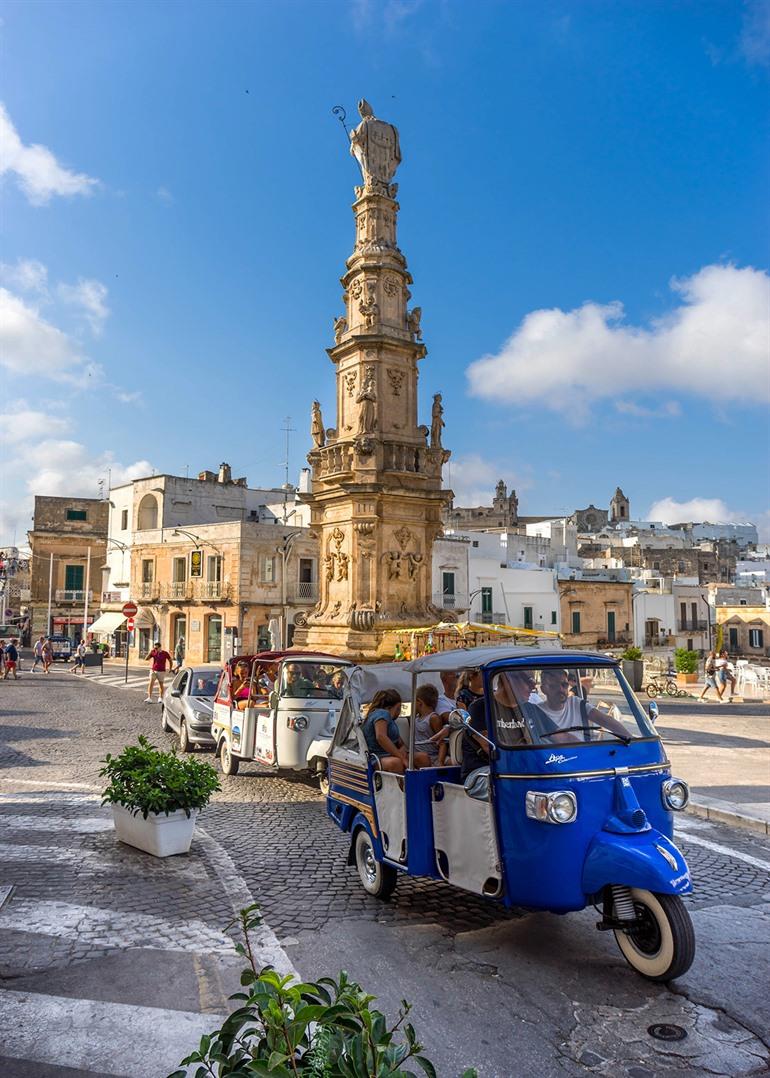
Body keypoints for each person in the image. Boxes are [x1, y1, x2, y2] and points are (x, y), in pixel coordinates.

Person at [537, 668, 629, 742]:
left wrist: (632, 740)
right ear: (543, 689)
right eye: (554, 686)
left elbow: (606, 720)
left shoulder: (576, 703)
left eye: (564, 685)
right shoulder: (537, 712)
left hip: (583, 755)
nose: (561, 689)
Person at [362, 689, 431, 774]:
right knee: (396, 762)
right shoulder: (382, 713)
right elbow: (381, 737)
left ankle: (421, 781)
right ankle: (406, 782)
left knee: (423, 757)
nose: (399, 712)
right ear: (391, 707)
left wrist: (403, 750)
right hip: (378, 757)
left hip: (391, 755)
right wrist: (402, 758)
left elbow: (399, 742)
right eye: (398, 708)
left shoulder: (390, 721)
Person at [413, 684, 446, 765]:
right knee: (422, 757)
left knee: (451, 762)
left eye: (414, 701)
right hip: (420, 755)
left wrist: (440, 762)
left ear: (419, 702)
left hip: (435, 756)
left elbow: (442, 743)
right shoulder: (416, 718)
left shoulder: (433, 718)